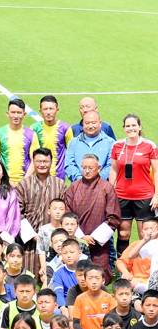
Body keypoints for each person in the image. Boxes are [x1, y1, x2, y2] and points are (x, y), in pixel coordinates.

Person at [64, 154, 121, 282]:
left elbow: (113, 217)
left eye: (91, 167)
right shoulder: (73, 187)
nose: (87, 171)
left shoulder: (107, 188)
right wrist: (81, 236)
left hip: (99, 243)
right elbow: (67, 214)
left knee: (99, 277)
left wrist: (94, 237)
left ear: (99, 168)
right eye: (84, 167)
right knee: (76, 277)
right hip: (77, 239)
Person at [109, 114, 158, 257]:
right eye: (128, 126)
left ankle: (147, 265)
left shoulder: (149, 145)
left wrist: (156, 195)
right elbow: (113, 169)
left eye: (134, 125)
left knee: (146, 234)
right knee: (123, 233)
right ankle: (122, 264)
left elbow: (156, 171)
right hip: (122, 196)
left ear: (139, 127)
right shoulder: (117, 146)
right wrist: (110, 191)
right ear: (124, 128)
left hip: (144, 196)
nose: (131, 128)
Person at [15, 148, 65, 275]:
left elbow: (65, 211)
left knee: (51, 275)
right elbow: (17, 213)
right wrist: (33, 235)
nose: (42, 165)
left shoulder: (59, 184)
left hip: (52, 238)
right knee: (28, 275)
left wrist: (54, 234)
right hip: (29, 240)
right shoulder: (24, 184)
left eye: (45, 161)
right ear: (33, 162)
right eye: (39, 161)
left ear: (51, 162)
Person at [0, 97, 40, 186]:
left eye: (19, 113)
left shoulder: (31, 134)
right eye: (13, 112)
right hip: (4, 183)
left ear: (24, 114)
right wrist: (6, 180)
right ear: (7, 114)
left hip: (26, 183)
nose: (16, 116)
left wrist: (24, 181)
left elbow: (35, 160)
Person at [64, 110, 114, 182]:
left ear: (100, 123)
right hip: (79, 186)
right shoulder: (73, 143)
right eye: (87, 123)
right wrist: (80, 179)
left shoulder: (110, 143)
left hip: (102, 187)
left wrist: (98, 181)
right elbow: (69, 165)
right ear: (83, 124)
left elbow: (111, 166)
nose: (90, 126)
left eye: (93, 123)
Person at [30, 95, 73, 179]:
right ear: (40, 111)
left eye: (51, 108)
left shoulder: (65, 128)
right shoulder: (34, 128)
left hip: (58, 177)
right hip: (38, 176)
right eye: (45, 109)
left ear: (57, 110)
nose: (48, 112)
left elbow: (71, 151)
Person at [72, 263, 116, 329]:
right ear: (85, 281)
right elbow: (75, 323)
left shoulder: (109, 298)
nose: (94, 282)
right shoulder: (80, 299)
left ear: (103, 280)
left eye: (97, 278)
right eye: (90, 278)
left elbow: (114, 320)